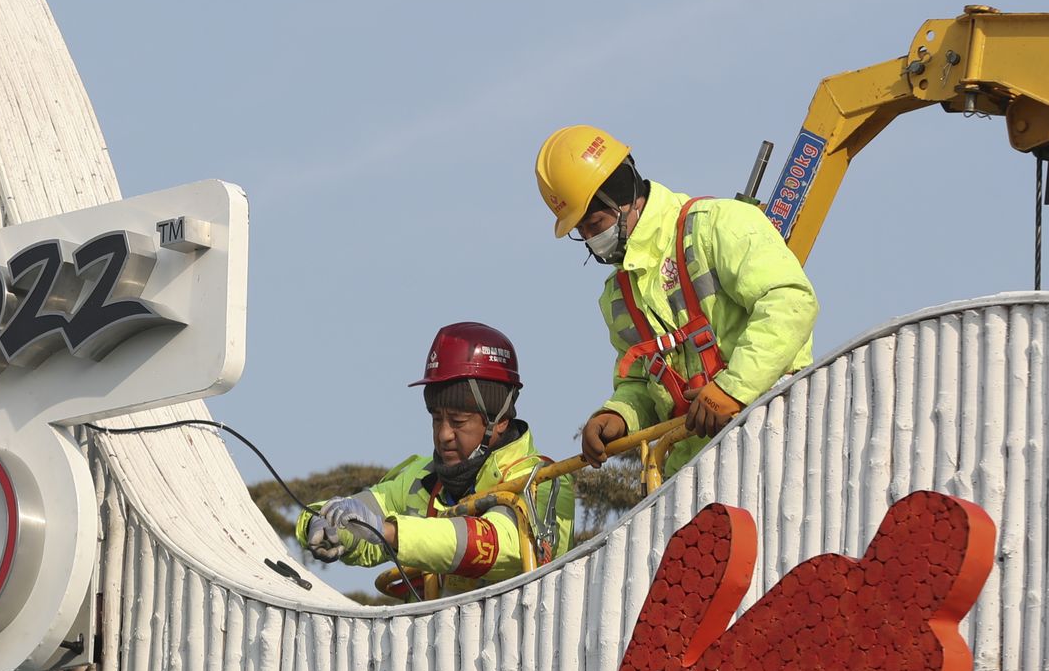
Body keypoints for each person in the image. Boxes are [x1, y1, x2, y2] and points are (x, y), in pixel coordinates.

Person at [534, 125, 817, 474]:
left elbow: (790, 302)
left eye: (595, 224)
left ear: (624, 195)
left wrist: (733, 389)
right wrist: (617, 415)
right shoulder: (618, 296)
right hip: (694, 470)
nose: (592, 240)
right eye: (583, 233)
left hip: (777, 433)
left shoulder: (716, 225)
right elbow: (641, 382)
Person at [296, 323, 573, 595]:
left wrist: (391, 532)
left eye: (458, 421)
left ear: (499, 420)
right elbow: (361, 510)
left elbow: (500, 544)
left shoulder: (544, 482)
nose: (443, 434)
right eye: (436, 418)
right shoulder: (422, 479)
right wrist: (325, 522)